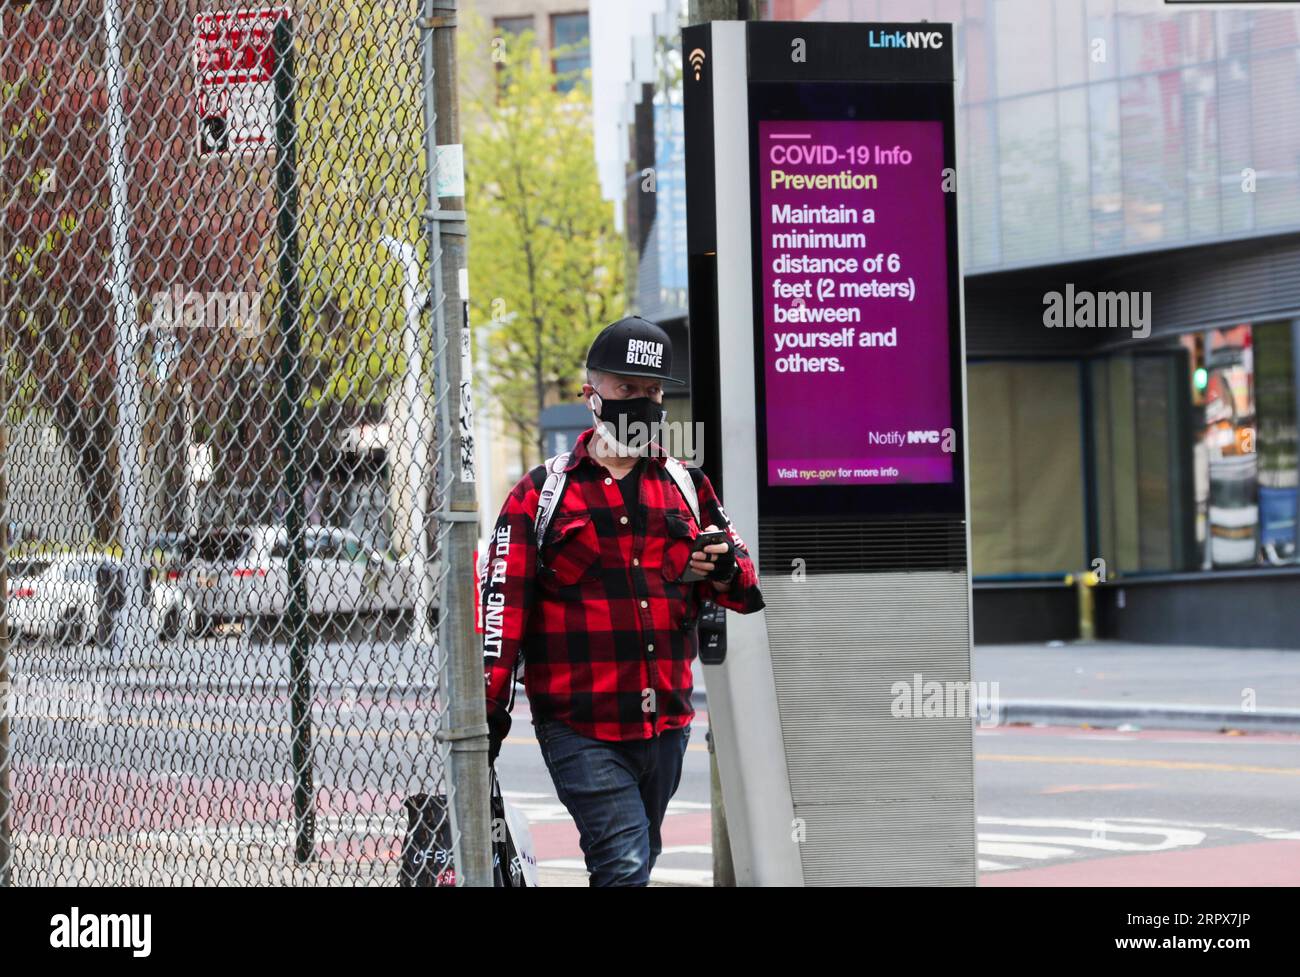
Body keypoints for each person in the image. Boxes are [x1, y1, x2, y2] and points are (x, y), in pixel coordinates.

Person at [481, 315, 765, 886]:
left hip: (666, 723)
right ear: (592, 394)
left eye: (653, 391)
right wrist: (488, 711)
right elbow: (502, 608)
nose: (642, 401)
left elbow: (746, 590)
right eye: (626, 389)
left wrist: (724, 566)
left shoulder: (687, 484)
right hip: (579, 724)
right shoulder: (540, 494)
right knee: (624, 862)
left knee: (638, 856)